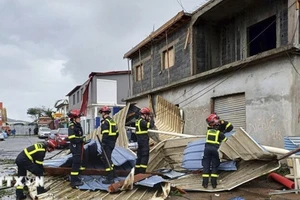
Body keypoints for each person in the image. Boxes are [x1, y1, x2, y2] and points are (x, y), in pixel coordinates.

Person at [202, 114, 230, 189]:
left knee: (206, 166)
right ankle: (214, 184)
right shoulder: (219, 133)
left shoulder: (208, 131)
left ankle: (205, 184)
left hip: (207, 149)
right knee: (214, 166)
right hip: (215, 150)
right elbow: (226, 141)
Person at [99, 106, 119, 184]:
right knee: (109, 158)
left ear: (104, 113)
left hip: (106, 143)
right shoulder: (112, 121)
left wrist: (103, 144)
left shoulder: (105, 122)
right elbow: (117, 133)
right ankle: (114, 174)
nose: (101, 114)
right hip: (112, 143)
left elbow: (105, 134)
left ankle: (110, 178)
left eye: (102, 113)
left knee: (106, 159)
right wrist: (113, 141)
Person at [67, 110, 85, 188]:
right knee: (76, 163)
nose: (79, 119)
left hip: (78, 146)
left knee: (78, 163)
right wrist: (81, 140)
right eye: (78, 117)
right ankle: (74, 181)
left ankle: (76, 178)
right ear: (74, 118)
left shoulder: (77, 125)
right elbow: (72, 138)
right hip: (75, 146)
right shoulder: (72, 126)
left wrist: (82, 139)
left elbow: (79, 136)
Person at [134, 107, 155, 174]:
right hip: (143, 141)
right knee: (145, 156)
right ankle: (141, 173)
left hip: (139, 141)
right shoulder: (142, 122)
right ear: (145, 115)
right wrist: (151, 119)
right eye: (147, 115)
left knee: (139, 156)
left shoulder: (138, 121)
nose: (148, 116)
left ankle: (136, 172)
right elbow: (151, 125)